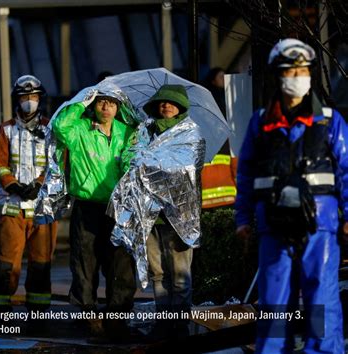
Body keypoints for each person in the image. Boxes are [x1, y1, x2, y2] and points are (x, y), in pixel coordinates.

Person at [235, 38, 346, 354]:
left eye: (302, 70)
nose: (297, 76)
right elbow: (246, 174)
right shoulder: (261, 124)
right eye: (290, 71)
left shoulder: (329, 121)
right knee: (274, 304)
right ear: (277, 77)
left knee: (320, 303)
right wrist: (242, 219)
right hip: (275, 226)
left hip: (319, 229)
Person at [52, 88, 137, 338]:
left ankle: (117, 315)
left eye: (111, 103)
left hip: (119, 207)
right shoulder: (79, 129)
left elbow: (135, 159)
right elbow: (59, 125)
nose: (106, 108)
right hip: (88, 206)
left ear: (118, 108)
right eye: (101, 102)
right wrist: (82, 101)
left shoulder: (126, 132)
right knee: (84, 261)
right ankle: (87, 312)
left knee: (120, 262)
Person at [0, 75, 58, 311]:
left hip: (43, 207)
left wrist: (39, 183)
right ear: (17, 100)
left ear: (41, 99)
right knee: (6, 262)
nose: (30, 101)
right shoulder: (6, 129)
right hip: (13, 205)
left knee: (41, 263)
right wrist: (13, 184)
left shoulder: (51, 128)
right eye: (25, 97)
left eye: (34, 97)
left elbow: (57, 163)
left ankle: (39, 313)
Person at [141, 84, 200, 337]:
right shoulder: (144, 132)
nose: (165, 106)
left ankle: (179, 323)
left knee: (179, 274)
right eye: (162, 102)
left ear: (180, 107)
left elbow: (187, 168)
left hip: (180, 217)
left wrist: (154, 164)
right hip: (151, 215)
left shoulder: (192, 134)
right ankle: (163, 321)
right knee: (158, 273)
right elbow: (134, 161)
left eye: (171, 102)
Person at [201, 67, 237, 209]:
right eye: (220, 77)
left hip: (212, 200)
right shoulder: (220, 98)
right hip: (228, 198)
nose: (224, 80)